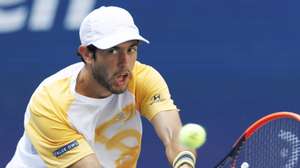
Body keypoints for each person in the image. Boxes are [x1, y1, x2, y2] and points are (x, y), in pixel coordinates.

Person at [6, 6, 196, 168]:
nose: (125, 63)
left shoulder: (142, 78)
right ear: (87, 54)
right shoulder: (50, 103)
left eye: (131, 49)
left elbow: (174, 136)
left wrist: (185, 164)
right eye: (113, 51)